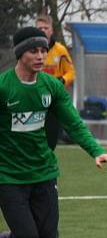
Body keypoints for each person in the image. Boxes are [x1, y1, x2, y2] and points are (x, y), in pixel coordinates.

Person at [0, 27, 107, 238]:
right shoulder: (4, 87)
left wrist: (97, 151)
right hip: (9, 175)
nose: (41, 56)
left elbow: (73, 123)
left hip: (44, 172)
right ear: (20, 54)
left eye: (43, 50)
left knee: (49, 237)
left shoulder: (51, 87)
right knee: (27, 237)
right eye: (34, 51)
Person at [35, 15, 75, 151]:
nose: (42, 30)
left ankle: (47, 165)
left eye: (45, 28)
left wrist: (61, 81)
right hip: (34, 98)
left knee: (51, 139)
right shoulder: (31, 50)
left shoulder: (60, 50)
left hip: (53, 100)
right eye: (39, 28)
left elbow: (71, 73)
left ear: (51, 31)